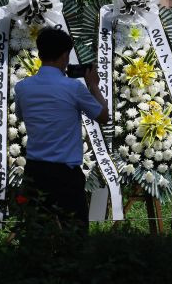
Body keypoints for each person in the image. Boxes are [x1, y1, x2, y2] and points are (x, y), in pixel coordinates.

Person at [14, 27, 108, 233]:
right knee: (74, 235)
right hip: (65, 175)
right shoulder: (73, 88)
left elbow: (20, 116)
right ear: (65, 55)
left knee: (36, 235)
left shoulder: (22, 87)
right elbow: (103, 116)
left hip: (35, 172)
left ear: (39, 54)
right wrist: (94, 86)